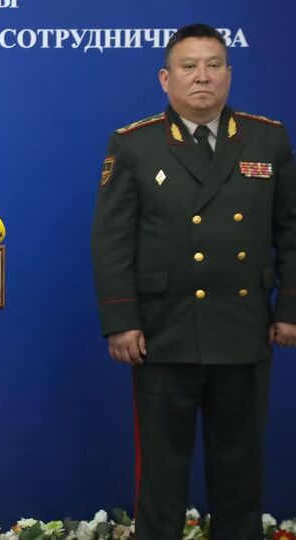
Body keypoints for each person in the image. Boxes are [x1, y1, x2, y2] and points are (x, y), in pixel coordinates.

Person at [91, 22, 296, 540]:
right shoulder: (135, 144)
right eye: (189, 66)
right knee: (162, 477)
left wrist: (290, 307)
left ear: (229, 74)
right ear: (166, 78)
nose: (202, 76)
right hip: (165, 332)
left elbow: (292, 230)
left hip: (243, 328)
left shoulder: (267, 138)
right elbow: (112, 240)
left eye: (213, 65)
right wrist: (121, 320)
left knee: (240, 473)